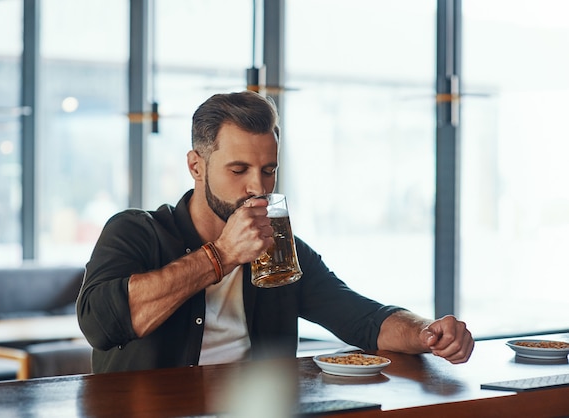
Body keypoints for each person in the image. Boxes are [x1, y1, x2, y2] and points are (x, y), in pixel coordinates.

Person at [77, 91, 474, 373]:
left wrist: (428, 333)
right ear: (196, 167)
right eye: (239, 170)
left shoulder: (281, 250)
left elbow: (364, 320)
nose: (259, 187)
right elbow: (100, 325)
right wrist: (221, 255)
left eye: (268, 170)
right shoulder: (135, 231)